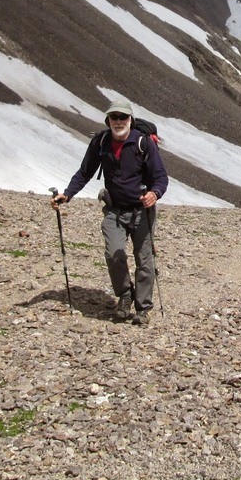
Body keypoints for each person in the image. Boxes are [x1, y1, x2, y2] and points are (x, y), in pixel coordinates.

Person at [51, 100, 168, 325]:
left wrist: (155, 193)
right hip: (114, 210)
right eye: (114, 117)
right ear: (108, 120)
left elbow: (161, 176)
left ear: (130, 120)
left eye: (122, 117)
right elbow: (85, 172)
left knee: (144, 261)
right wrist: (67, 194)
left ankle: (143, 308)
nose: (118, 121)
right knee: (114, 254)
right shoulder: (101, 142)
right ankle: (125, 295)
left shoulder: (143, 143)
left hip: (142, 211)